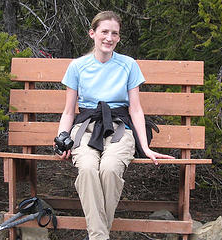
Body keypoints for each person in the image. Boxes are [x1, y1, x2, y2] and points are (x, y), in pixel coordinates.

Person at [55, 11, 175, 240]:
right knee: (88, 169)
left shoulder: (128, 65)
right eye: (104, 32)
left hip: (120, 128)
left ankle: (97, 236)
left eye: (114, 33)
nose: (109, 38)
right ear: (92, 34)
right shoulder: (77, 67)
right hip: (86, 128)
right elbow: (69, 111)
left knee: (110, 169)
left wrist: (145, 147)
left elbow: (136, 109)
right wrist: (62, 139)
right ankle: (101, 236)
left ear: (119, 38)